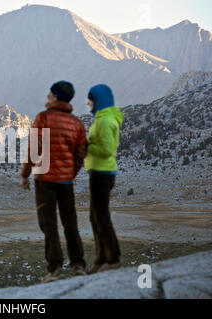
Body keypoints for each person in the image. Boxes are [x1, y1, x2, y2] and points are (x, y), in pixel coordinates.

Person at [20, 81, 87, 282]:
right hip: (66, 181)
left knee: (48, 224)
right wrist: (70, 173)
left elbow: (34, 148)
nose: (48, 96)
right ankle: (78, 265)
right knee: (70, 222)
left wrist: (25, 174)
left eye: (50, 93)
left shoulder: (43, 118)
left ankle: (55, 268)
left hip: (45, 180)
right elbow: (80, 154)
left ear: (56, 96)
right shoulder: (76, 123)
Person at [85, 84, 124, 274]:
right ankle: (100, 259)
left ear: (98, 100)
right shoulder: (101, 119)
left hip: (103, 173)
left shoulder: (106, 120)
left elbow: (108, 150)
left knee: (101, 216)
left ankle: (112, 257)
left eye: (90, 99)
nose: (88, 103)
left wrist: (87, 147)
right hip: (98, 172)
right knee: (95, 217)